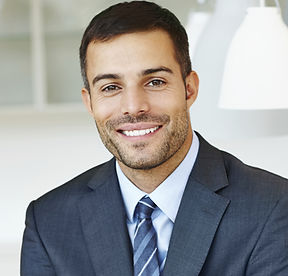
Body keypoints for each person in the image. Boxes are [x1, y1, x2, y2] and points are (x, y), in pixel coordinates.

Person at [21, 1, 288, 275]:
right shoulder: (48, 222)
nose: (134, 106)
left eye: (155, 82)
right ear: (89, 103)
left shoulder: (274, 207)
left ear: (189, 89)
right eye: (111, 87)